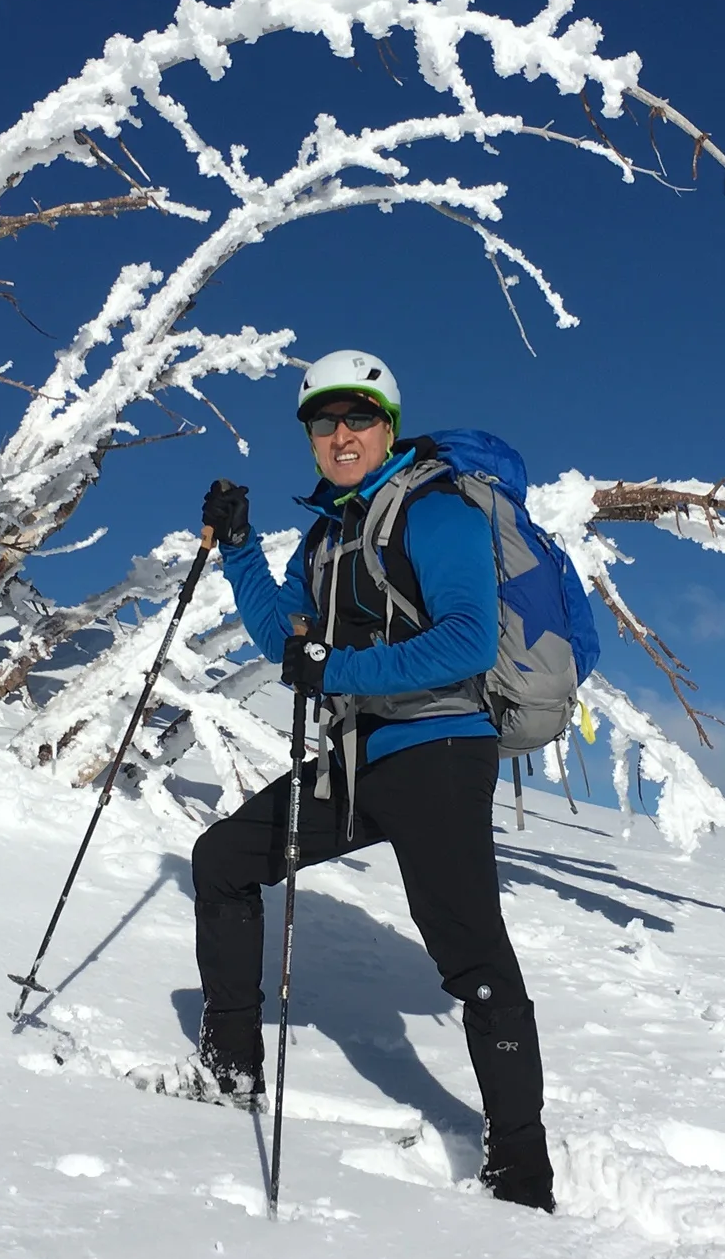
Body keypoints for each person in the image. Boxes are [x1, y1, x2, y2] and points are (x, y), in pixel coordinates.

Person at [192, 350, 554, 1213]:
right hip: (357, 761)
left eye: (358, 419)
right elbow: (287, 639)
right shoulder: (326, 536)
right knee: (225, 858)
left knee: (473, 960)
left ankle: (523, 1168)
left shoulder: (436, 512)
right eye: (325, 422)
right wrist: (241, 550)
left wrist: (340, 666)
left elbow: (468, 640)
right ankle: (234, 1068)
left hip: (436, 750)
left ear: (389, 426)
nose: (342, 435)